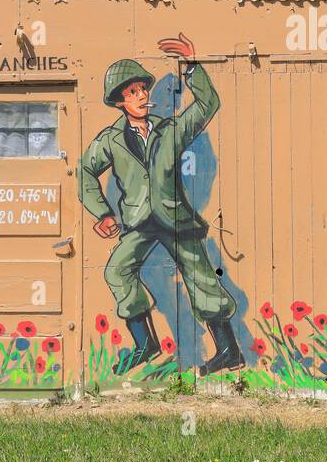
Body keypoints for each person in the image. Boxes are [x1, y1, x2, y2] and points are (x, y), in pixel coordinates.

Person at [78, 33, 244, 377]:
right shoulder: (111, 140)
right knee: (117, 270)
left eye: (143, 89)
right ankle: (145, 344)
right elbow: (84, 172)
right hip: (139, 221)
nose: (141, 96)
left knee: (201, 279)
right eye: (132, 92)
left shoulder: (170, 131)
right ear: (120, 102)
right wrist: (103, 214)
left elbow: (207, 106)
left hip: (174, 217)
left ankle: (229, 351)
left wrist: (192, 66)